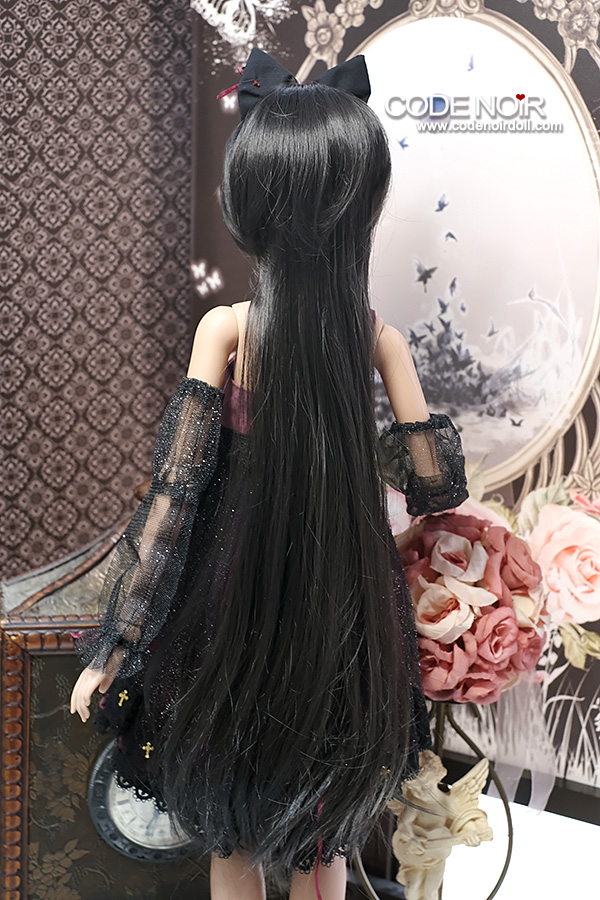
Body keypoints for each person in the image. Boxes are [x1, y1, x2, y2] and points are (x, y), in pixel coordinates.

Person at [70, 48, 469, 900]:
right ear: (358, 205)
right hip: (335, 593)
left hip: (236, 593)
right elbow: (434, 486)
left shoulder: (228, 328)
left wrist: (119, 645)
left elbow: (177, 495)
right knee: (319, 843)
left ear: (251, 203)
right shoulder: (373, 337)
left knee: (238, 835)